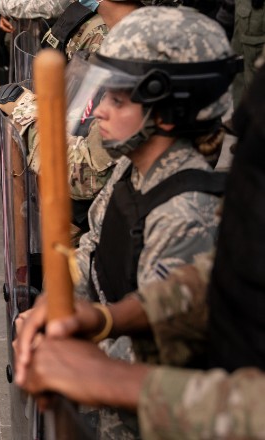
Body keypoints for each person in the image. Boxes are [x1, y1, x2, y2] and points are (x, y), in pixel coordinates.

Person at [15, 6, 248, 438]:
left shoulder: (184, 215)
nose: (99, 109)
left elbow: (155, 358)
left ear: (167, 112)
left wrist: (70, 354)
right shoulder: (133, 170)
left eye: (118, 99)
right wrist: (59, 308)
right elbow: (93, 248)